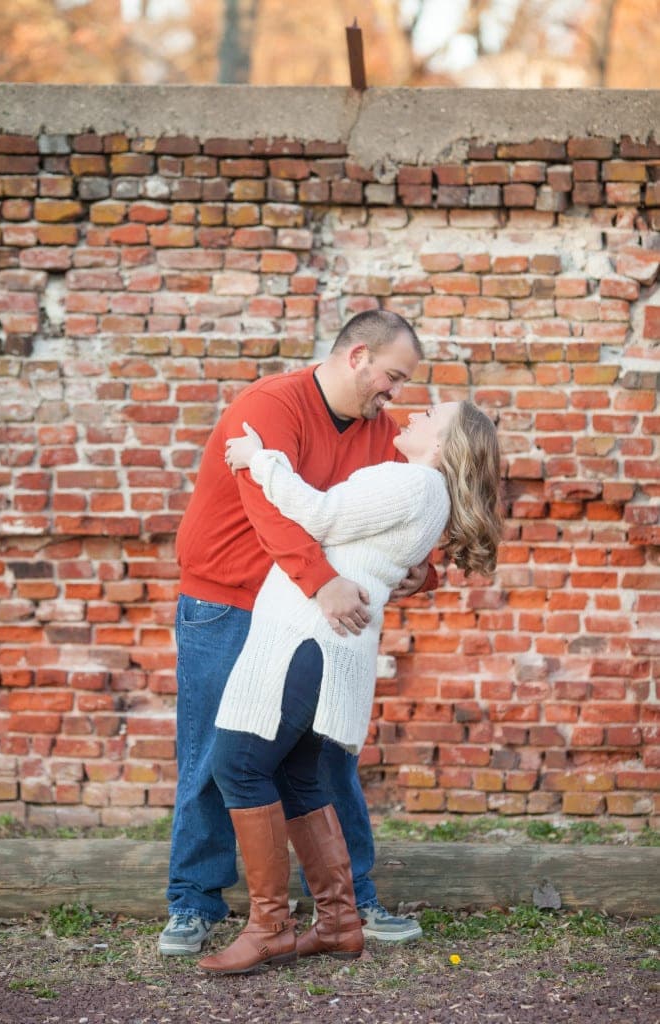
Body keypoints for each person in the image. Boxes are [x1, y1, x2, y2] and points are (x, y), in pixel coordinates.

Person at [160, 310, 439, 957]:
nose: (393, 393)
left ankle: (351, 903)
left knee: (327, 754)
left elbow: (397, 506)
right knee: (212, 756)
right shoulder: (269, 405)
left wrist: (421, 567)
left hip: (305, 613)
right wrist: (323, 581)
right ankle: (193, 904)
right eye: (392, 376)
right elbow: (268, 509)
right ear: (357, 356)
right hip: (229, 600)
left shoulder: (380, 433)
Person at [198, 399, 503, 974]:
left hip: (307, 640)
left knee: (238, 765)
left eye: (432, 413)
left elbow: (319, 515)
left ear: (442, 445)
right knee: (295, 774)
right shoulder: (423, 490)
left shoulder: (412, 481)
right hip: (326, 645)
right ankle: (339, 923)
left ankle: (268, 927)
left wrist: (259, 461)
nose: (415, 412)